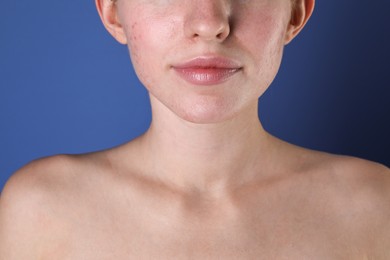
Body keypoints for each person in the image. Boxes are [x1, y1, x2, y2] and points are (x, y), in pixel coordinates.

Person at [1, 0, 389, 258]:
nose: (210, 24)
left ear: (296, 13)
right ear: (113, 12)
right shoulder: (39, 214)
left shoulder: (376, 210)